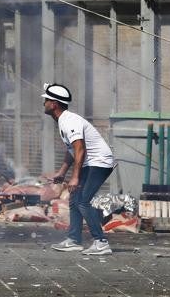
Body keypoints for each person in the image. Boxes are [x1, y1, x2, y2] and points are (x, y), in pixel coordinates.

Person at [42, 82, 115, 255]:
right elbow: (72, 150)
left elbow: (80, 148)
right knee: (75, 199)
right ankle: (74, 240)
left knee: (83, 200)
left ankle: (101, 242)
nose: (44, 103)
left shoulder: (69, 121)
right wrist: (62, 172)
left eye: (46, 100)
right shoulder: (63, 121)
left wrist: (74, 177)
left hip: (100, 162)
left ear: (54, 104)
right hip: (92, 163)